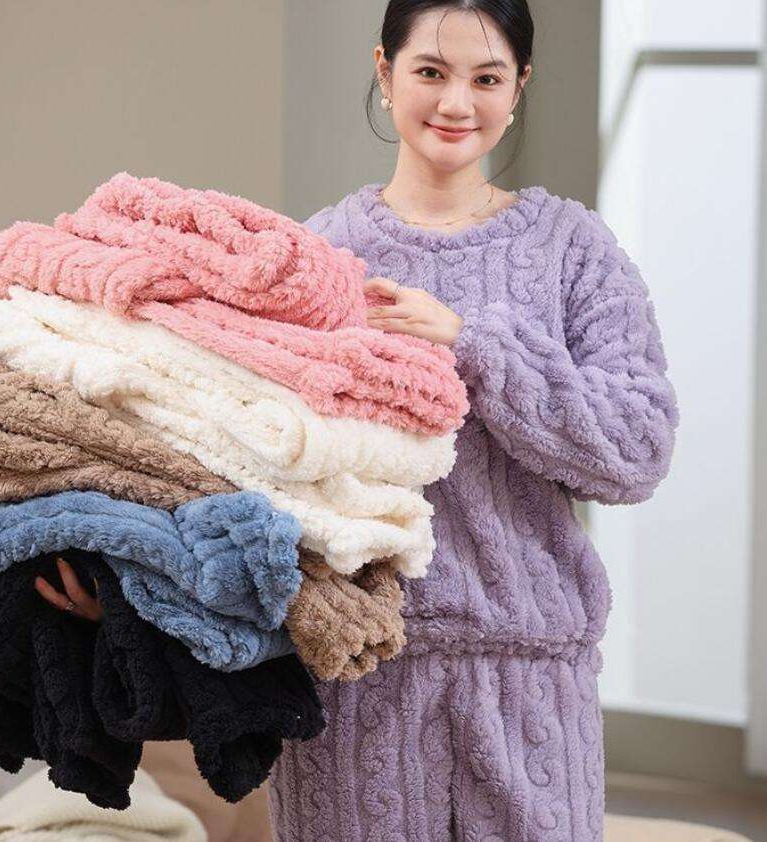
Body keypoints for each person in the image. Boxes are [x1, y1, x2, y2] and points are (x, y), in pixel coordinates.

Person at [37, 3, 679, 839]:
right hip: (354, 679)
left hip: (526, 680)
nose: (456, 102)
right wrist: (135, 589)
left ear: (519, 87)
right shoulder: (314, 254)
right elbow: (235, 462)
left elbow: (635, 451)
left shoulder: (572, 248)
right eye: (430, 72)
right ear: (384, 72)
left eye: (486, 78)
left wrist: (472, 343)